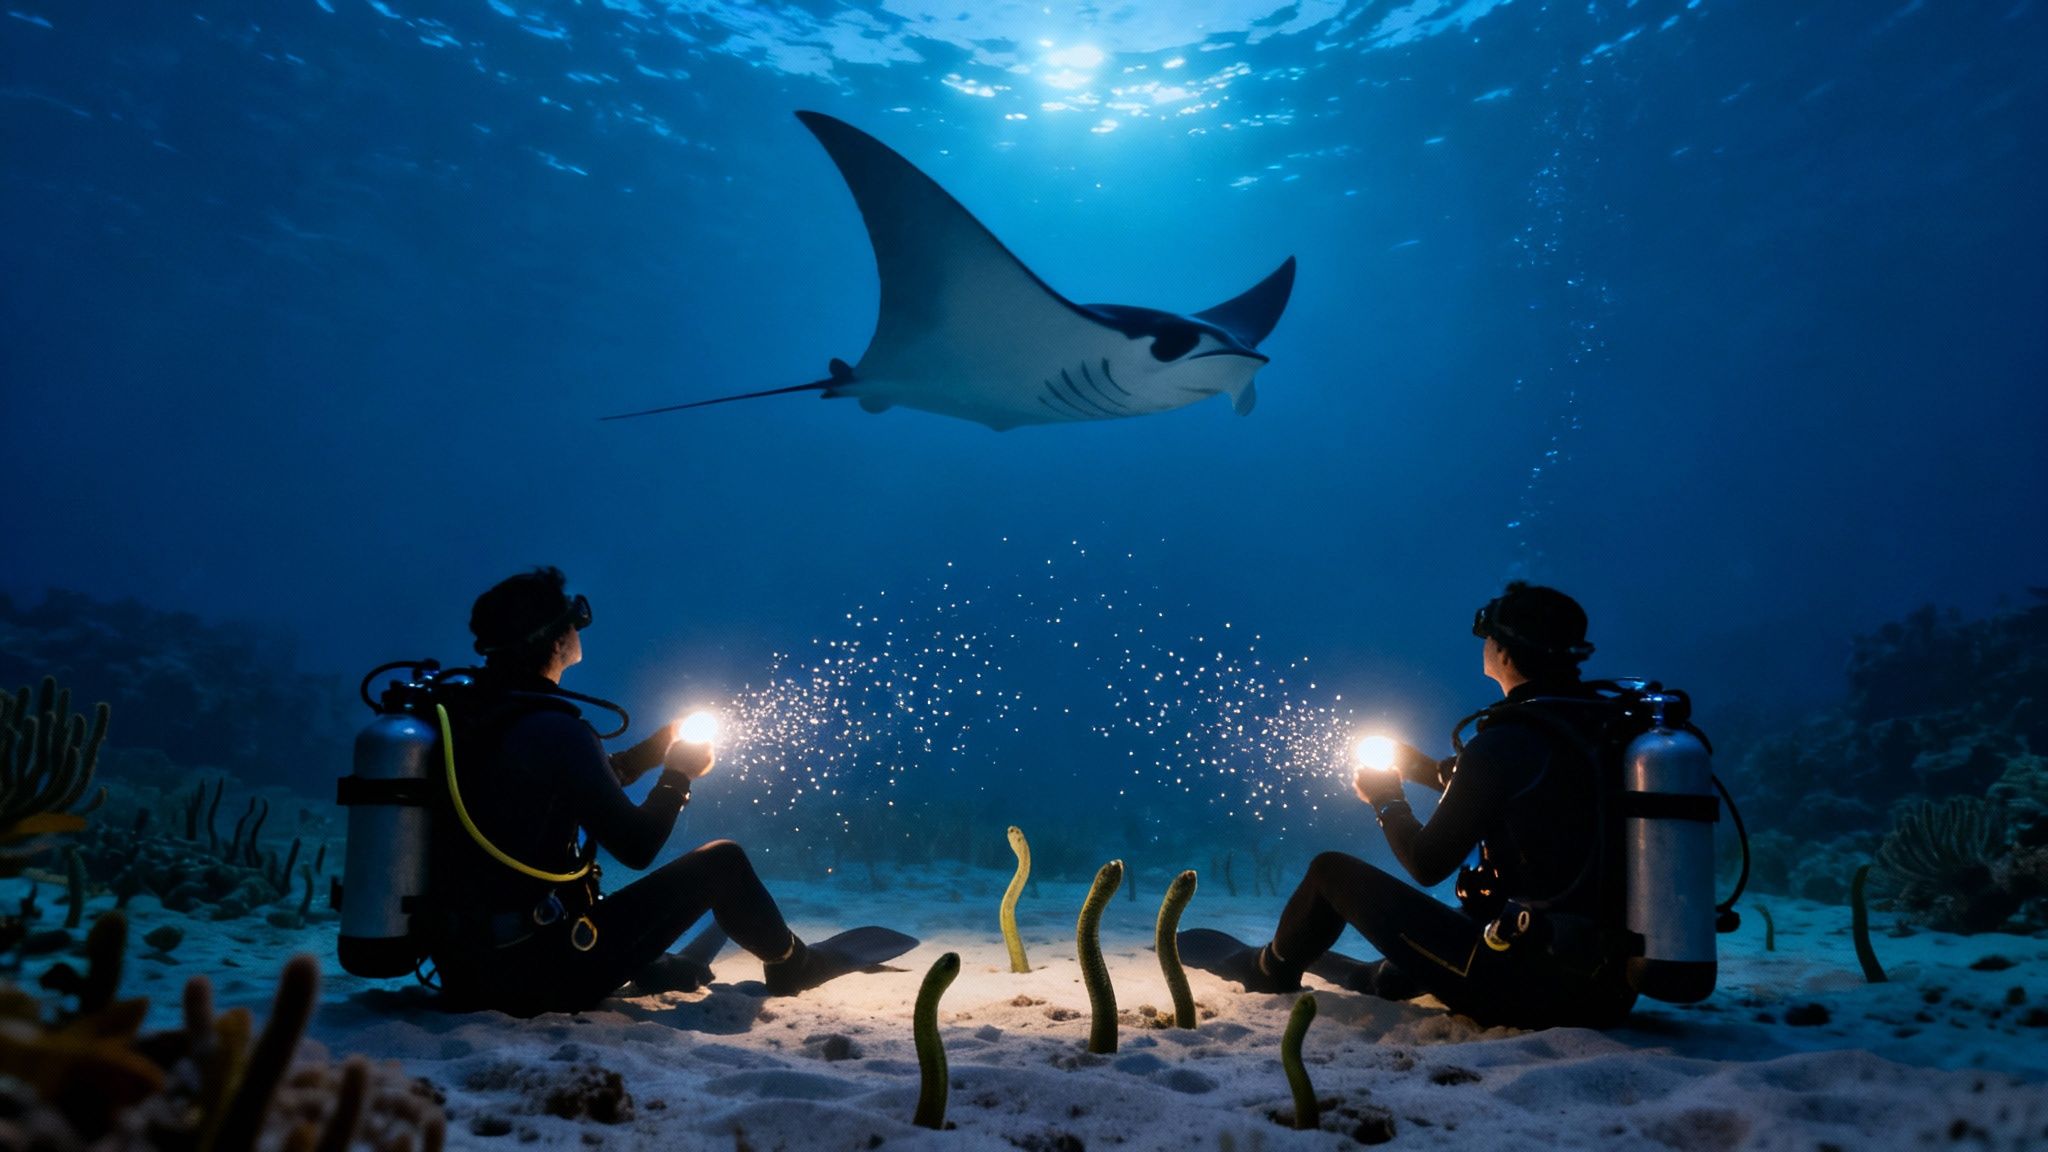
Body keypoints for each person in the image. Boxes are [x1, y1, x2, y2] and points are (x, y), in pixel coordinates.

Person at [424, 565, 901, 1015]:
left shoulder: (474, 716)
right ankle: (795, 965)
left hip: (464, 972)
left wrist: (656, 750)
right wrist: (678, 774)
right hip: (537, 975)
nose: (580, 626)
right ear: (554, 637)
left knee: (657, 955)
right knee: (724, 862)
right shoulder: (556, 730)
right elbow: (636, 846)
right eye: (575, 616)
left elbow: (574, 781)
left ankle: (655, 966)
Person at [1187, 581, 1638, 1030]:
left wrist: (1386, 798)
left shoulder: (1505, 742)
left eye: (1488, 635)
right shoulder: (1599, 728)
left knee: (1331, 872)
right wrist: (1415, 765)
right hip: (1610, 989)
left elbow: (1427, 863)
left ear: (1504, 653)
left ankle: (1268, 969)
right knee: (1445, 937)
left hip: (1536, 990)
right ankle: (1384, 976)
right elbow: (1496, 782)